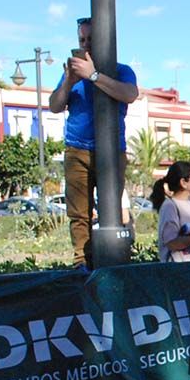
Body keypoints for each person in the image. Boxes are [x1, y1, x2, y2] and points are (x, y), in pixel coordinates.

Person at [49, 16, 139, 269]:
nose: (86, 44)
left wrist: (94, 76)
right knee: (78, 212)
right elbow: (54, 105)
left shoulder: (121, 70)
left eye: (91, 39)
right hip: (77, 148)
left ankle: (115, 258)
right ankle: (82, 261)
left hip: (111, 151)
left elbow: (130, 94)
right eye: (82, 40)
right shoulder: (72, 75)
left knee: (112, 208)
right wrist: (69, 81)